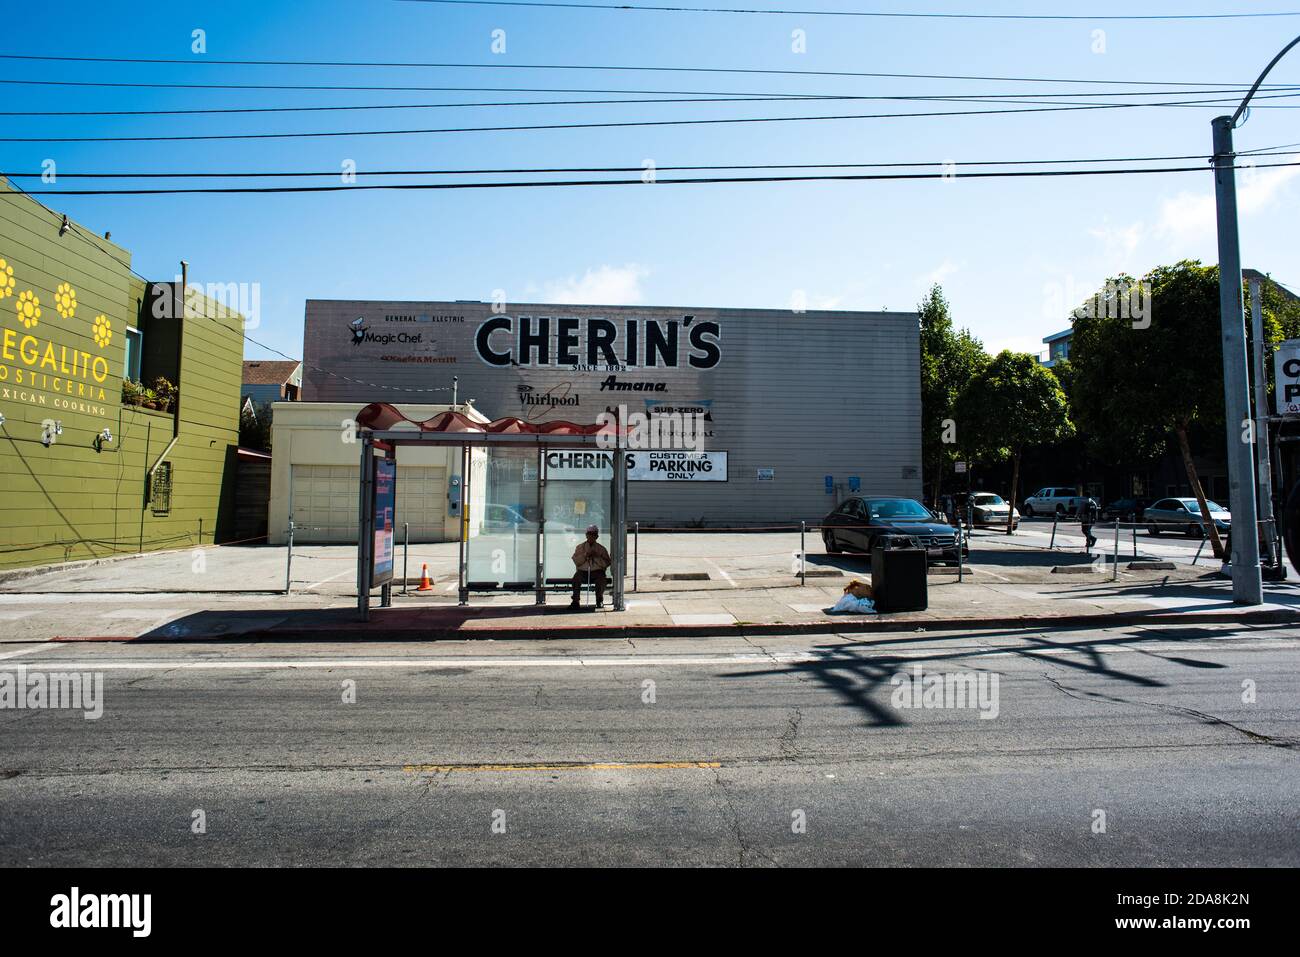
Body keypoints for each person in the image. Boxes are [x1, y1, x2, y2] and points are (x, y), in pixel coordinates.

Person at [570, 524, 612, 609]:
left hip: (597, 572)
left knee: (601, 580)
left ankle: (599, 600)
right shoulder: (580, 547)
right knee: (576, 578)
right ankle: (575, 601)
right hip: (583, 571)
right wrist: (585, 555)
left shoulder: (601, 549)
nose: (591, 536)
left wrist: (596, 557)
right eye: (589, 534)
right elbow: (577, 561)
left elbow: (607, 563)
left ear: (597, 536)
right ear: (586, 535)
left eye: (593, 534)